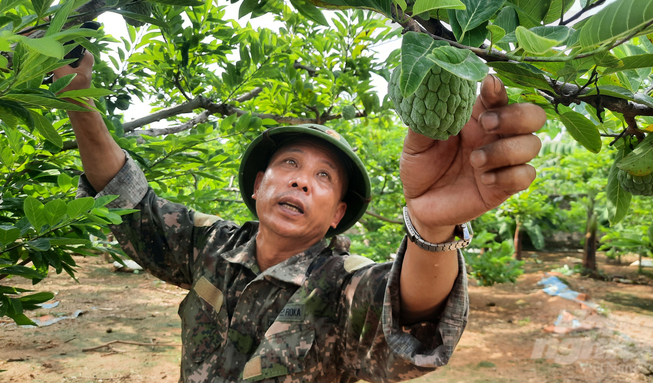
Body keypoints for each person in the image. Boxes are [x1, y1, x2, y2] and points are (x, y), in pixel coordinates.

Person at [54, 50, 545, 383]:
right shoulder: (210, 246)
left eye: (324, 177)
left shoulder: (341, 283)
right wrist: (78, 100)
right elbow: (125, 199)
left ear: (338, 215)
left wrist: (432, 226)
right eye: (289, 164)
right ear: (257, 186)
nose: (302, 180)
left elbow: (410, 312)